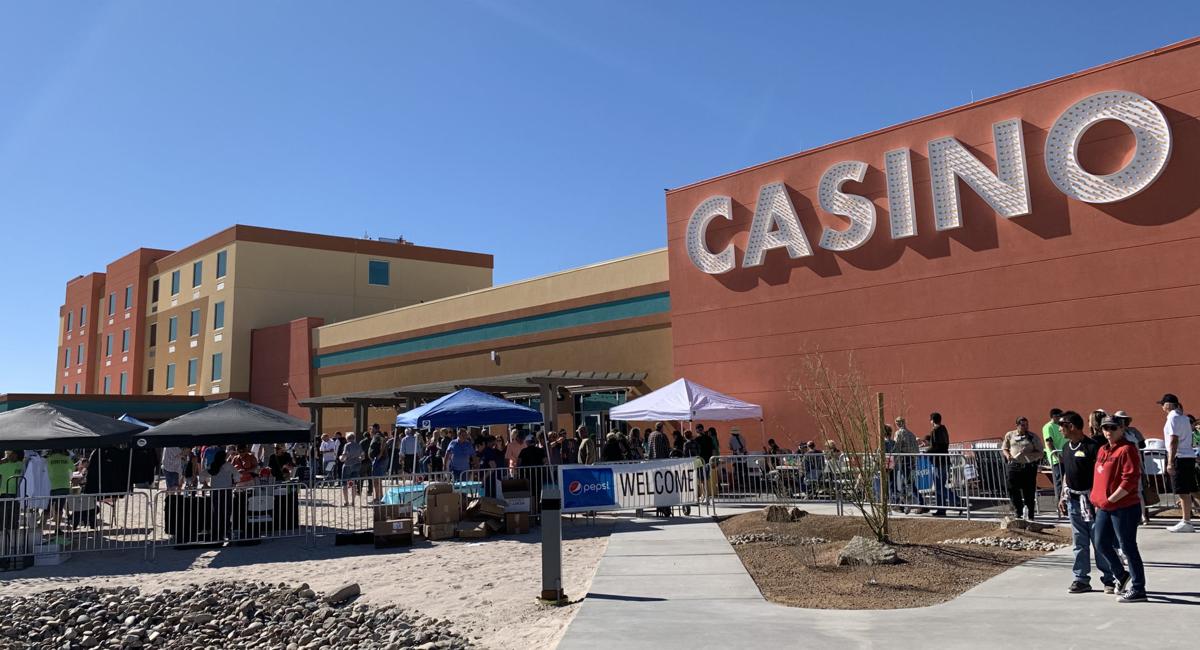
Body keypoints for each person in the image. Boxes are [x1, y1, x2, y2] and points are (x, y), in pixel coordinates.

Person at [1056, 411, 1121, 594]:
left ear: (1072, 426)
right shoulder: (1066, 448)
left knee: (1099, 541)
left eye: (1062, 425)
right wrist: (1063, 495)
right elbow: (1068, 474)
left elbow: (1102, 473)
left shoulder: (1093, 447)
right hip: (1074, 502)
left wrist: (1099, 498)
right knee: (1079, 542)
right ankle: (1081, 579)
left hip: (1093, 502)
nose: (1060, 429)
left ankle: (1109, 578)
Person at [1091, 415, 1146, 603]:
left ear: (1122, 429)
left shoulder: (1127, 449)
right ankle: (1121, 575)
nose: (1108, 432)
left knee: (1128, 547)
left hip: (1124, 507)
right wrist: (1099, 500)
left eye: (1112, 428)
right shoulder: (1102, 450)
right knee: (1100, 543)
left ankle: (1139, 588)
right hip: (1104, 507)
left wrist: (1112, 499)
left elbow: (1130, 480)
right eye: (1105, 428)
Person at [1158, 393, 1197, 533]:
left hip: (1179, 457)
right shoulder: (1185, 418)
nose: (1162, 407)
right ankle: (1186, 520)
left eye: (1163, 404)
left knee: (1182, 491)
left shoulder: (1172, 419)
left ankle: (1186, 520)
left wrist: (1170, 461)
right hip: (1188, 456)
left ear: (1168, 405)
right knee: (1192, 489)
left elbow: (1173, 440)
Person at [1001, 417, 1043, 521]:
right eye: (1023, 425)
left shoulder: (1032, 437)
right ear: (1017, 425)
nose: (1025, 427)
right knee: (1012, 489)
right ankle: (1017, 512)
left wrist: (1028, 453)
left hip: (1028, 467)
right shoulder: (1010, 435)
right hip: (1014, 466)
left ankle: (1030, 515)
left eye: (1027, 425)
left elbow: (1040, 452)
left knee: (1028, 492)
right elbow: (1005, 448)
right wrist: (1008, 455)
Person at [927, 412, 954, 517]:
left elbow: (935, 447)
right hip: (945, 460)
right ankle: (941, 509)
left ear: (932, 421)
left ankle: (958, 501)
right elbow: (942, 444)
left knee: (939, 487)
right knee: (940, 486)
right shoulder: (944, 429)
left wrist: (926, 451)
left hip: (939, 462)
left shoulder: (935, 431)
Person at [892, 417, 920, 511]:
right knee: (908, 483)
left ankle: (920, 503)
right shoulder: (911, 434)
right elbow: (917, 449)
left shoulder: (899, 433)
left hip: (904, 460)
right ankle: (901, 504)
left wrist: (893, 460)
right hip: (912, 461)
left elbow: (897, 447)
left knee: (908, 483)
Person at [1043, 408, 1066, 504]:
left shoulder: (1061, 426)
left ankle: (1066, 502)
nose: (1061, 418)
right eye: (1059, 416)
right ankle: (1060, 505)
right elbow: (1049, 443)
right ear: (1054, 417)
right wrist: (1057, 457)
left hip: (1066, 457)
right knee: (1059, 482)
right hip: (1057, 460)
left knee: (1067, 482)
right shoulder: (1048, 427)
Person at [340, 433, 364, 506]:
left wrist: (340, 458)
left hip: (348, 465)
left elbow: (345, 455)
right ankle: (353, 501)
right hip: (357, 464)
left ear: (347, 438)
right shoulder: (358, 445)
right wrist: (358, 459)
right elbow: (362, 456)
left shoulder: (347, 445)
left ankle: (346, 501)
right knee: (353, 483)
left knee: (344, 484)